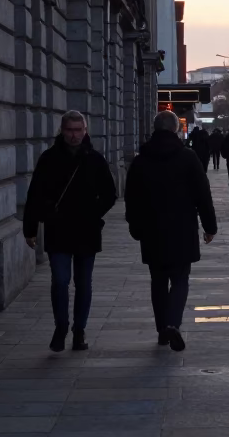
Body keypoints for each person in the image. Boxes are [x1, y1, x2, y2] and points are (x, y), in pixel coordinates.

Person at [22, 110, 118, 353]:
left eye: (78, 130)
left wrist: (93, 213)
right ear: (62, 131)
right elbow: (34, 195)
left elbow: (109, 194)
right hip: (59, 229)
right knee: (60, 281)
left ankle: (79, 330)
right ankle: (61, 327)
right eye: (70, 130)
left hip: (86, 230)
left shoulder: (94, 159)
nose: (74, 135)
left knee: (83, 283)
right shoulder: (49, 159)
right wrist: (30, 227)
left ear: (85, 131)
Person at [124, 110, 218, 352]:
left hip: (151, 229)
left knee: (157, 280)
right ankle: (173, 324)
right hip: (182, 228)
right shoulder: (188, 157)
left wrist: (135, 226)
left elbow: (131, 197)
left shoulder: (141, 159)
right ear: (176, 129)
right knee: (179, 279)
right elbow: (202, 194)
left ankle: (162, 331)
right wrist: (209, 227)